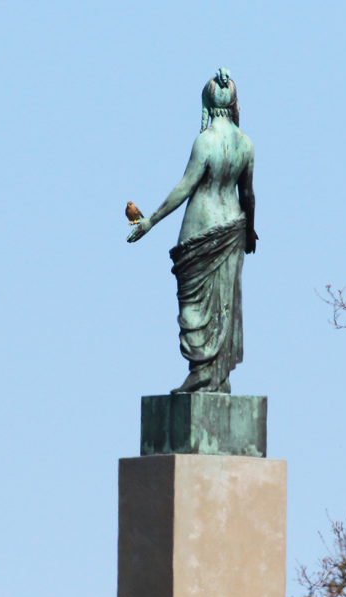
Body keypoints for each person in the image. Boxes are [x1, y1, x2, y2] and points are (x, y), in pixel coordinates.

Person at [128, 68, 257, 394]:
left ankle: (202, 369)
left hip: (201, 230)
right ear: (235, 105)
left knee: (194, 304)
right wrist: (251, 230)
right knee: (224, 303)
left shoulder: (206, 141)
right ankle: (218, 377)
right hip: (233, 230)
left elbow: (185, 187)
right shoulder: (246, 144)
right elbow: (249, 195)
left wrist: (150, 221)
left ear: (206, 104)